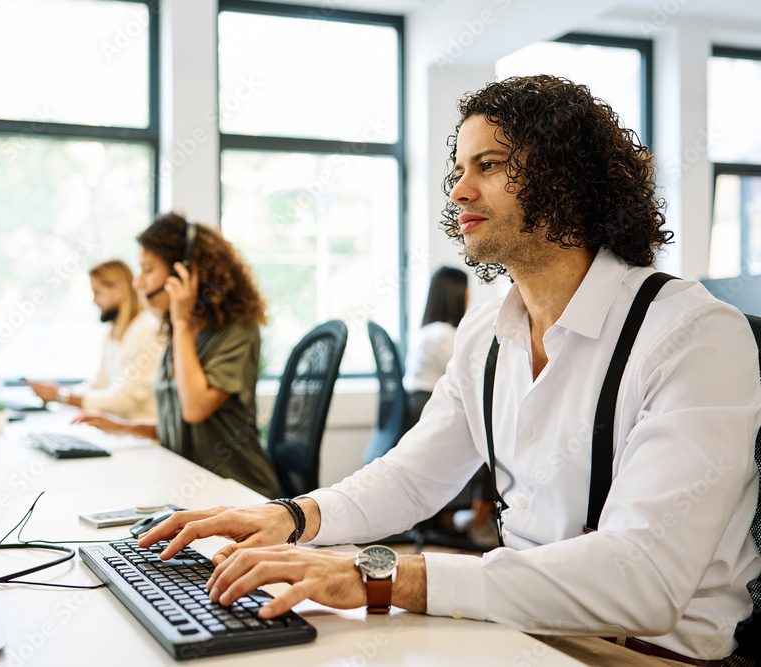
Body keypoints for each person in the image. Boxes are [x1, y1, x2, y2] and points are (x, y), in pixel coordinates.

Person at [137, 76, 761, 666]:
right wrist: (293, 517)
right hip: (525, 630)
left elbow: (644, 580)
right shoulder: (486, 331)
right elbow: (413, 479)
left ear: (568, 181)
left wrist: (381, 577)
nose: (459, 191)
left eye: (488, 166)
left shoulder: (692, 334)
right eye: (458, 170)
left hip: (643, 654)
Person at [72, 213, 279, 499]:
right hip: (191, 485)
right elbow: (180, 428)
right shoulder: (180, 333)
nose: (138, 283)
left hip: (240, 494)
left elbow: (195, 409)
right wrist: (123, 428)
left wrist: (182, 321)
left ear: (184, 273)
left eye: (147, 270)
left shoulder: (237, 331)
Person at [25, 260, 162, 420]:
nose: (94, 301)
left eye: (97, 292)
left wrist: (61, 397)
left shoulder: (147, 329)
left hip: (141, 436)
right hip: (117, 429)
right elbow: (99, 384)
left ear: (120, 289)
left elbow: (122, 400)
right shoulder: (114, 333)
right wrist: (60, 391)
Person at [403, 265, 469, 426]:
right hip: (427, 404)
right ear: (457, 294)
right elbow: (466, 373)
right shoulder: (442, 335)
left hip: (416, 402)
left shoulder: (428, 331)